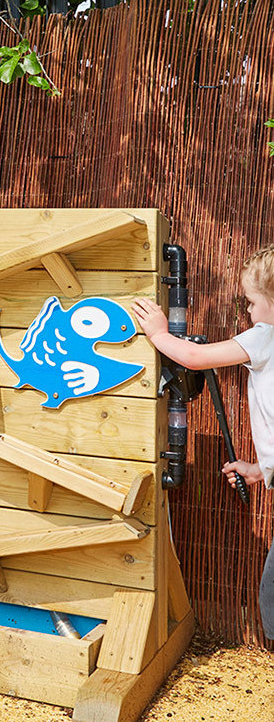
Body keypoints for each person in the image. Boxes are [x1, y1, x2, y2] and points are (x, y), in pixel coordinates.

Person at [132, 243, 274, 638]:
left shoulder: (266, 335)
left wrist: (159, 334)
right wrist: (259, 470)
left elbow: (196, 358)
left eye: (250, 302)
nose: (247, 311)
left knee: (272, 595)